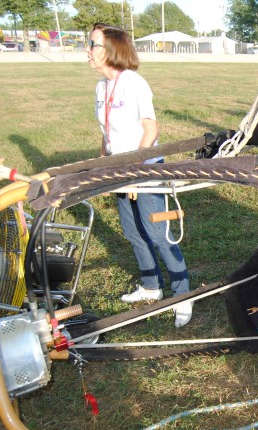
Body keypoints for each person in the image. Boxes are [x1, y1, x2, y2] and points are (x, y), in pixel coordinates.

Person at [86, 23, 193, 327]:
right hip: (119, 169)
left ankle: (183, 294)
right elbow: (107, 131)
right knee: (133, 232)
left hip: (145, 167)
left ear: (111, 49)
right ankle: (150, 286)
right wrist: (104, 159)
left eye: (93, 44)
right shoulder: (101, 87)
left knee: (158, 233)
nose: (87, 50)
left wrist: (136, 168)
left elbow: (151, 129)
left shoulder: (134, 83)